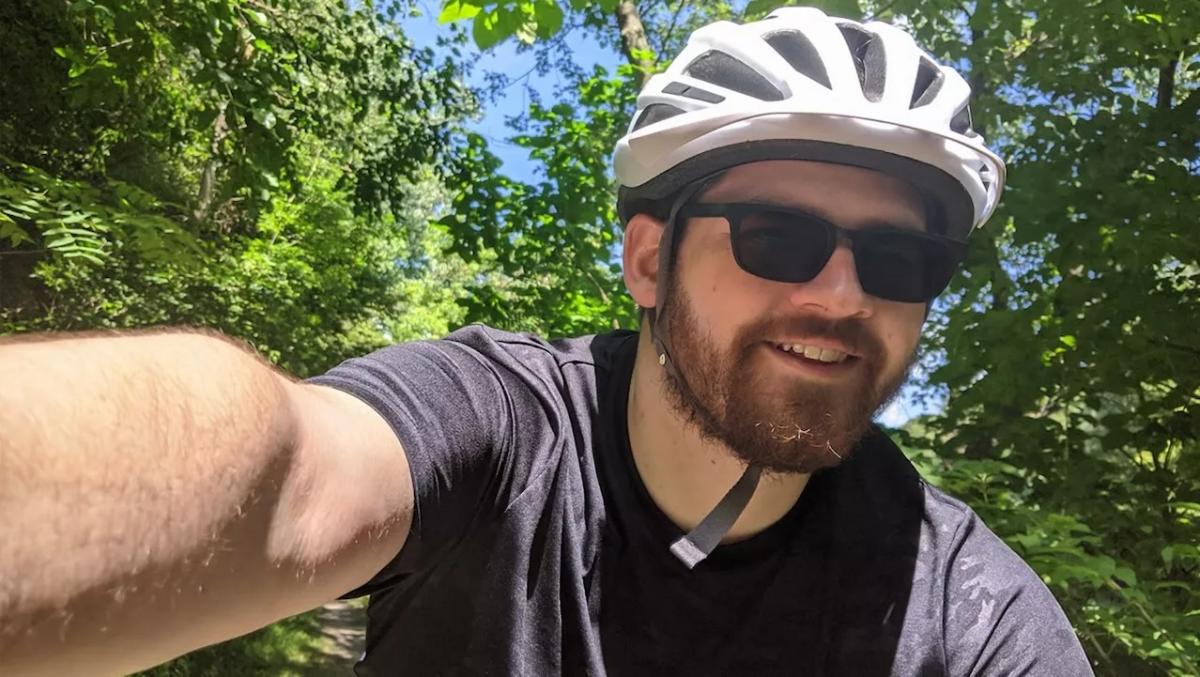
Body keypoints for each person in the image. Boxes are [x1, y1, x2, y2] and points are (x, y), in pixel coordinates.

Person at [0, 7, 1094, 676]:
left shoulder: (965, 602)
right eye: (780, 235)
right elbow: (288, 465)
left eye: (898, 263)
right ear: (648, 262)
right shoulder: (507, 421)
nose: (844, 293)